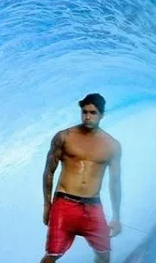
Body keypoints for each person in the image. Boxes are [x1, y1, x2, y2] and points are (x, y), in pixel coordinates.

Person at [40, 93, 122, 263]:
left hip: (93, 206)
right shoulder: (64, 137)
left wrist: (116, 217)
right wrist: (47, 205)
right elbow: (49, 171)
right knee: (52, 255)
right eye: (84, 112)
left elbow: (115, 182)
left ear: (102, 115)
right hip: (64, 204)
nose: (87, 117)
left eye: (93, 113)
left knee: (104, 254)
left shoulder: (112, 145)